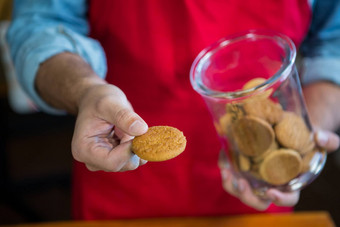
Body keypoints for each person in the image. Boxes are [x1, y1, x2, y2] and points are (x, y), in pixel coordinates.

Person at [6, 0, 340, 220]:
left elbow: (332, 46)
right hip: (120, 167)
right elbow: (40, 27)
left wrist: (296, 141)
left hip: (256, 186)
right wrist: (86, 90)